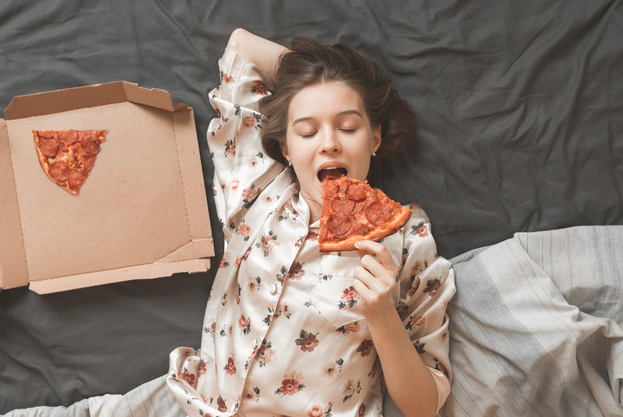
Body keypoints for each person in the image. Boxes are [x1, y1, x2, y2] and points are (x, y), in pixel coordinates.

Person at [165, 29, 456, 417]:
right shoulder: (258, 190)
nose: (329, 143)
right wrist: (319, 75)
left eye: (348, 127)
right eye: (307, 130)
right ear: (286, 147)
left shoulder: (407, 237)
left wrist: (382, 313)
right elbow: (240, 47)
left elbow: (425, 405)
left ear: (375, 138)